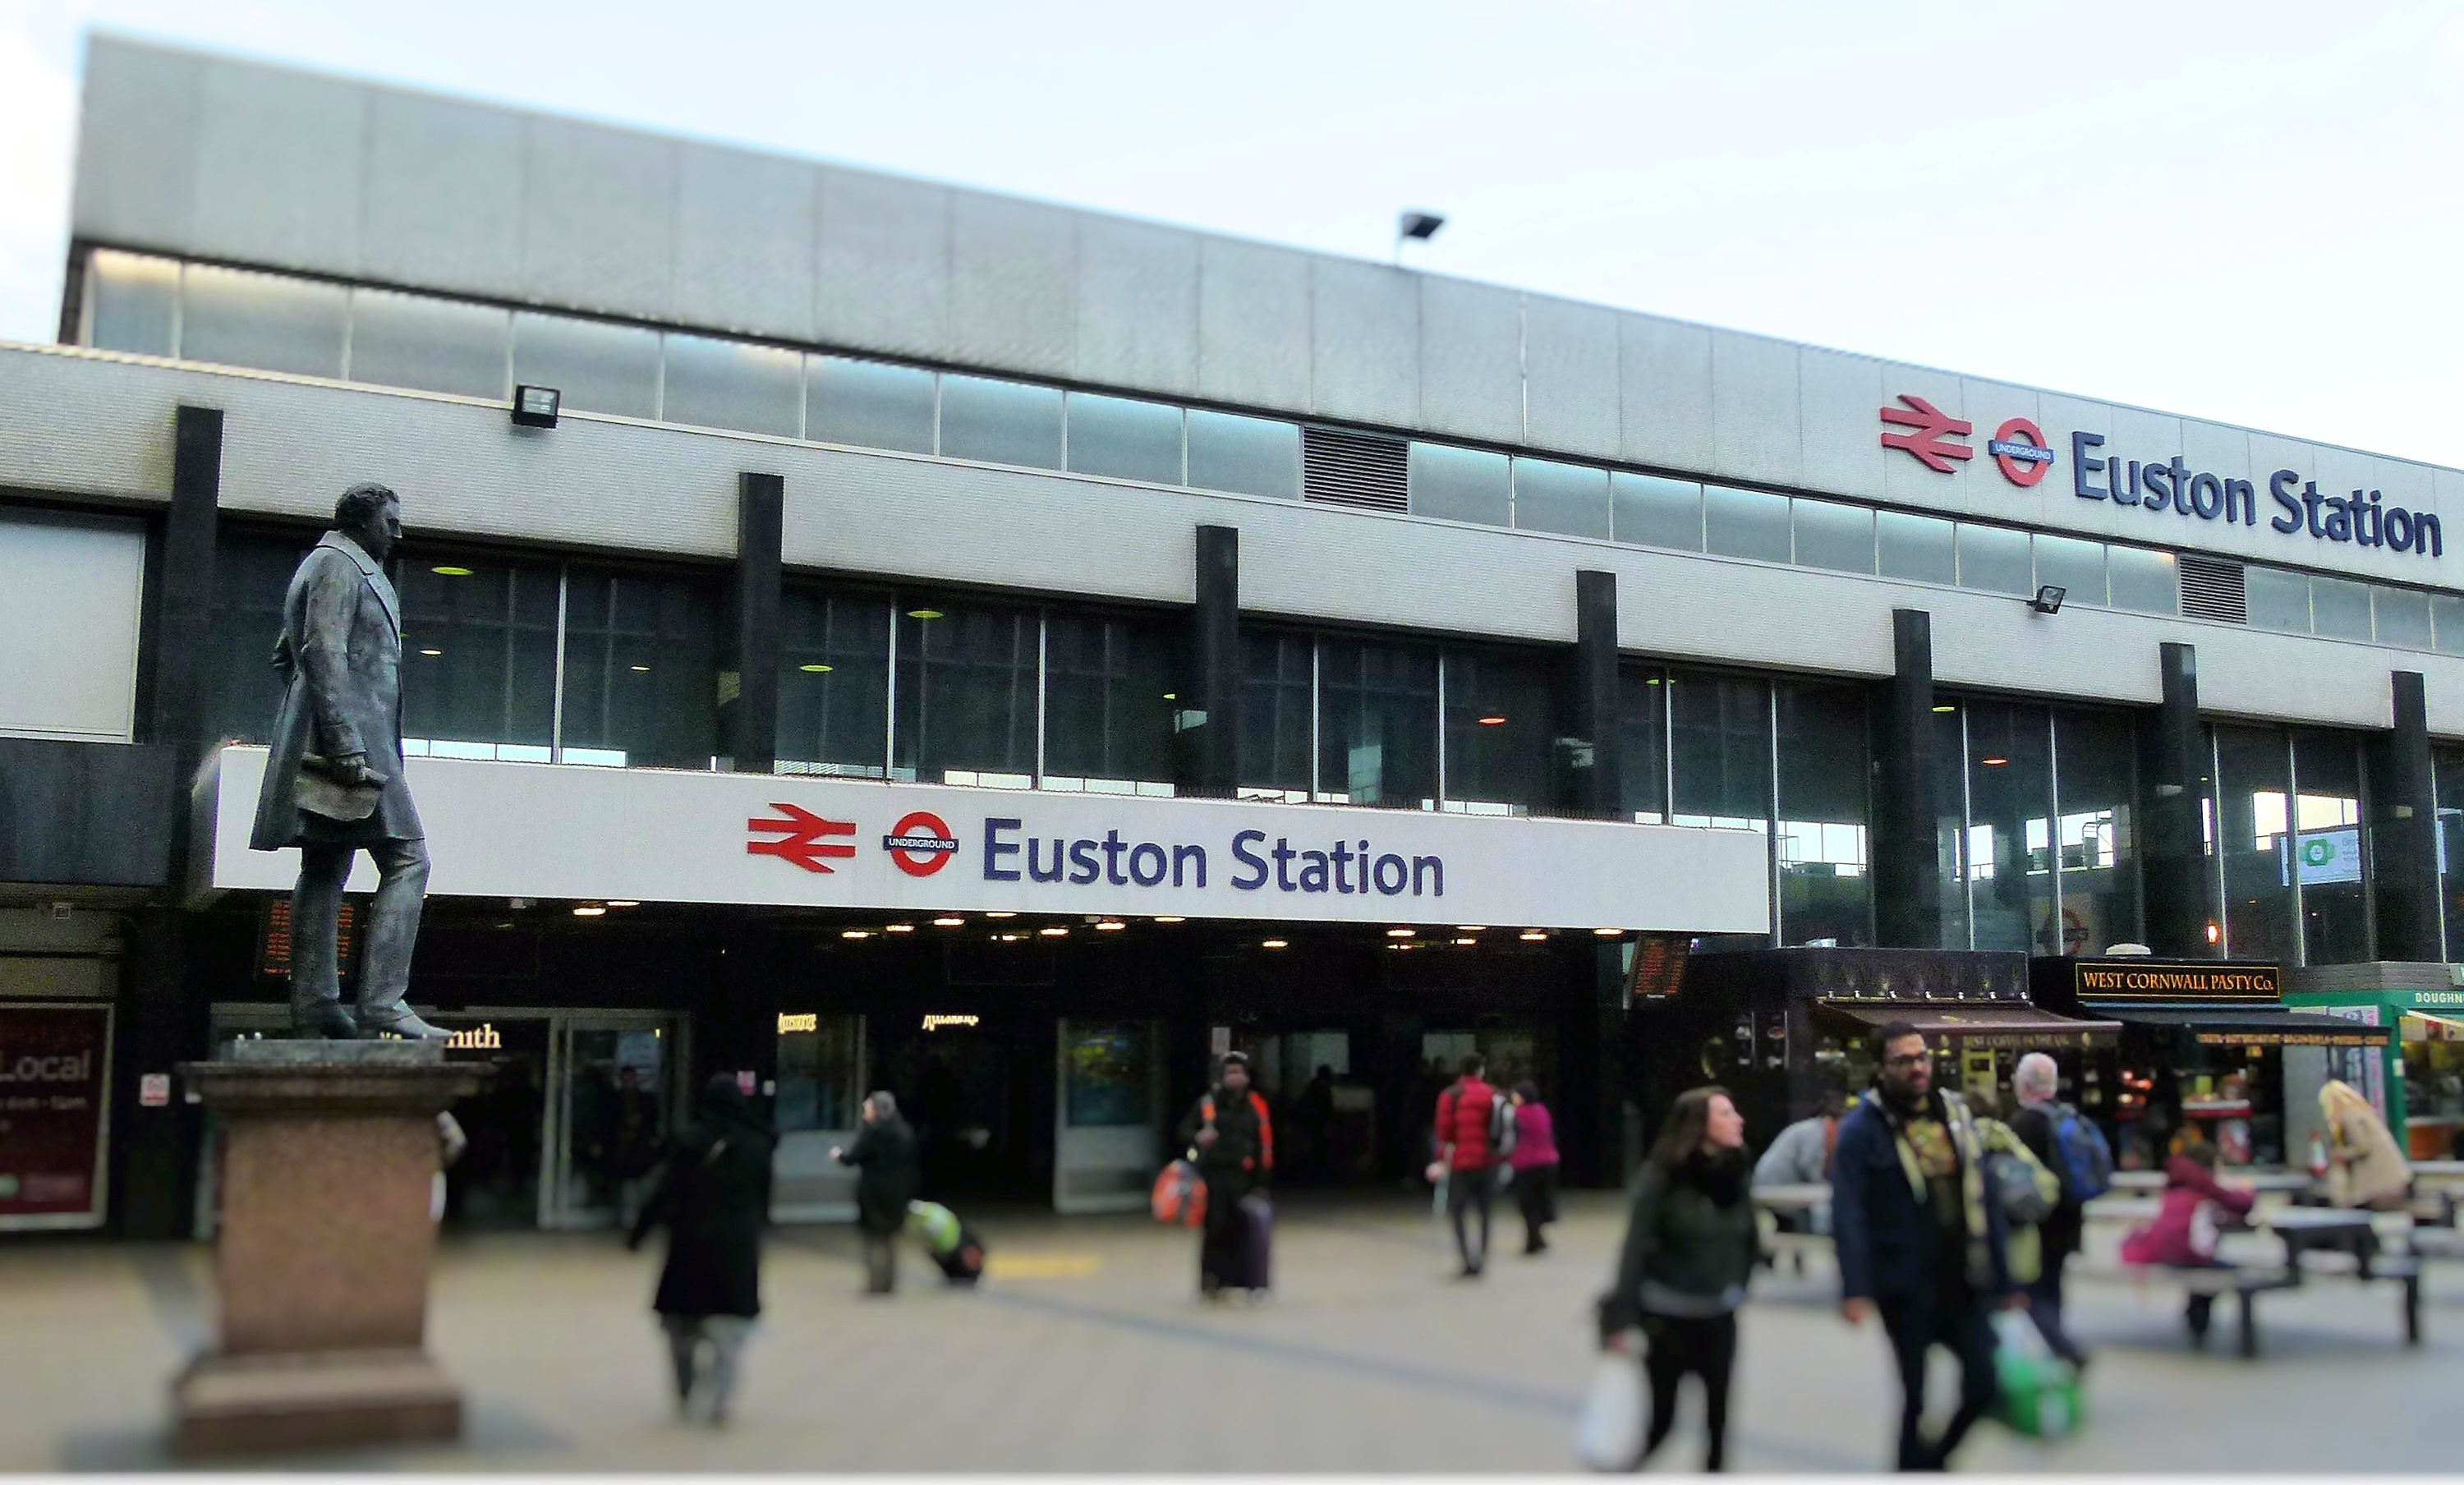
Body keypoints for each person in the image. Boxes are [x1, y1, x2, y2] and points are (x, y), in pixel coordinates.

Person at [247, 482, 445, 1041]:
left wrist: (312, 720)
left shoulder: (332, 563)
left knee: (325, 866)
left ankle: (315, 1004)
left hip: (343, 734)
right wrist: (341, 736)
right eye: (391, 523)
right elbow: (317, 650)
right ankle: (383, 1001)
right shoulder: (339, 565)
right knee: (409, 860)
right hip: (357, 740)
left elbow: (284, 657)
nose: (399, 533)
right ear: (363, 523)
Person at [1831, 1024, 2021, 1473]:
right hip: (1905, 1283)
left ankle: (1933, 1463)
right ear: (1880, 1069)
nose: (1917, 1067)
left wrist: (2007, 1275)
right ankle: (1911, 1470)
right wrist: (1855, 1288)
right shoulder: (1862, 1130)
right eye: (1903, 1060)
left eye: (1922, 1057)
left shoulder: (1952, 1112)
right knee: (1914, 1396)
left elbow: (1984, 1195)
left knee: (1985, 1384)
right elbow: (1848, 1212)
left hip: (1964, 1277)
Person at [1597, 1086, 1758, 1473]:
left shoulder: (1736, 1170)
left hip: (1720, 1315)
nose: (1738, 1120)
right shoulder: (1663, 1176)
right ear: (1698, 1124)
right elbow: (1633, 1248)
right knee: (1663, 1422)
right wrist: (1620, 1318)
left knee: (1718, 1425)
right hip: (1666, 1316)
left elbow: (1749, 1234)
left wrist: (1740, 1282)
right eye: (1725, 1113)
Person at [627, 1073, 776, 1426]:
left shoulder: (687, 1140)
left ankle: (685, 1391)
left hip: (689, 1246)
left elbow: (665, 1190)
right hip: (735, 1250)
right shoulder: (758, 1145)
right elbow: (765, 1200)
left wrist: (639, 1233)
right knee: (729, 1333)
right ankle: (721, 1401)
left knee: (680, 1329)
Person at [2120, 1141, 2255, 1346]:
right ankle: (2199, 1320)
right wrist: (2247, 1189)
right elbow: (2243, 1205)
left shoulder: (2177, 1182)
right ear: (2210, 1167)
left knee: (2209, 1265)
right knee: (2232, 1271)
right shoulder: (2203, 1184)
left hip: (2165, 1252)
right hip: (2188, 1253)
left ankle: (2196, 1319)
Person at [2005, 1053, 2087, 1367]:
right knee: (2053, 1285)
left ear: (2024, 1085)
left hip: (2036, 1223)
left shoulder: (2023, 1124)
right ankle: (2055, 1350)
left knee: (2033, 1292)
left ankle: (2062, 1349)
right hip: (2069, 1221)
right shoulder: (2069, 1116)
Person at [1177, 1051, 1273, 1300]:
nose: (1234, 1077)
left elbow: (1264, 1146)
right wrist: (1198, 1137)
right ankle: (1212, 1283)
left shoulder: (1256, 1106)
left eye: (1238, 1072)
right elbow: (1184, 1130)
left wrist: (1262, 1183)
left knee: (1246, 1231)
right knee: (1214, 1229)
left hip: (1244, 1178)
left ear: (1247, 1076)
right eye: (1229, 1072)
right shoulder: (1207, 1104)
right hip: (1212, 1177)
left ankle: (1248, 1284)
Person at [834, 1091, 921, 1294]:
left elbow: (852, 1158)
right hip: (898, 1193)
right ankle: (889, 1283)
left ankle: (875, 1284)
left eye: (868, 1108)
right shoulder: (905, 1132)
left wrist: (839, 1156)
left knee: (872, 1240)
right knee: (891, 1240)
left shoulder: (872, 1133)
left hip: (873, 1193)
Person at [1430, 1054, 1505, 1277]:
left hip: (1461, 1163)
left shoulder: (1449, 1095)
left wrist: (1441, 1159)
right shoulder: (1493, 1094)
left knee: (1458, 1212)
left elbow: (1443, 1132)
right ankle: (1481, 1259)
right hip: (1487, 1161)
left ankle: (1466, 1260)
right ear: (1480, 1070)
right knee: (1485, 1213)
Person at [1753, 1088, 1845, 1235]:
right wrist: (1827, 1185)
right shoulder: (1814, 1131)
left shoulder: (1811, 1131)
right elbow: (1808, 1164)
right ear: (1832, 1122)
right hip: (1775, 1187)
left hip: (1778, 1187)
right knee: (1802, 1225)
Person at [2319, 1078, 2412, 1211]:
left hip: (2381, 1189)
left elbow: (2362, 1147)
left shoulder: (2350, 1117)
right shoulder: (2362, 1112)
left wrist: (2341, 1154)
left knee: (2348, 1209)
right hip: (2394, 1182)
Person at [1510, 1080, 1561, 1255]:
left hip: (1525, 1162)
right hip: (1547, 1161)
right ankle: (1536, 1239)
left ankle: (1533, 1241)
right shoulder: (1542, 1111)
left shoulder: (1517, 1114)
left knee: (1527, 1204)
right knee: (1539, 1201)